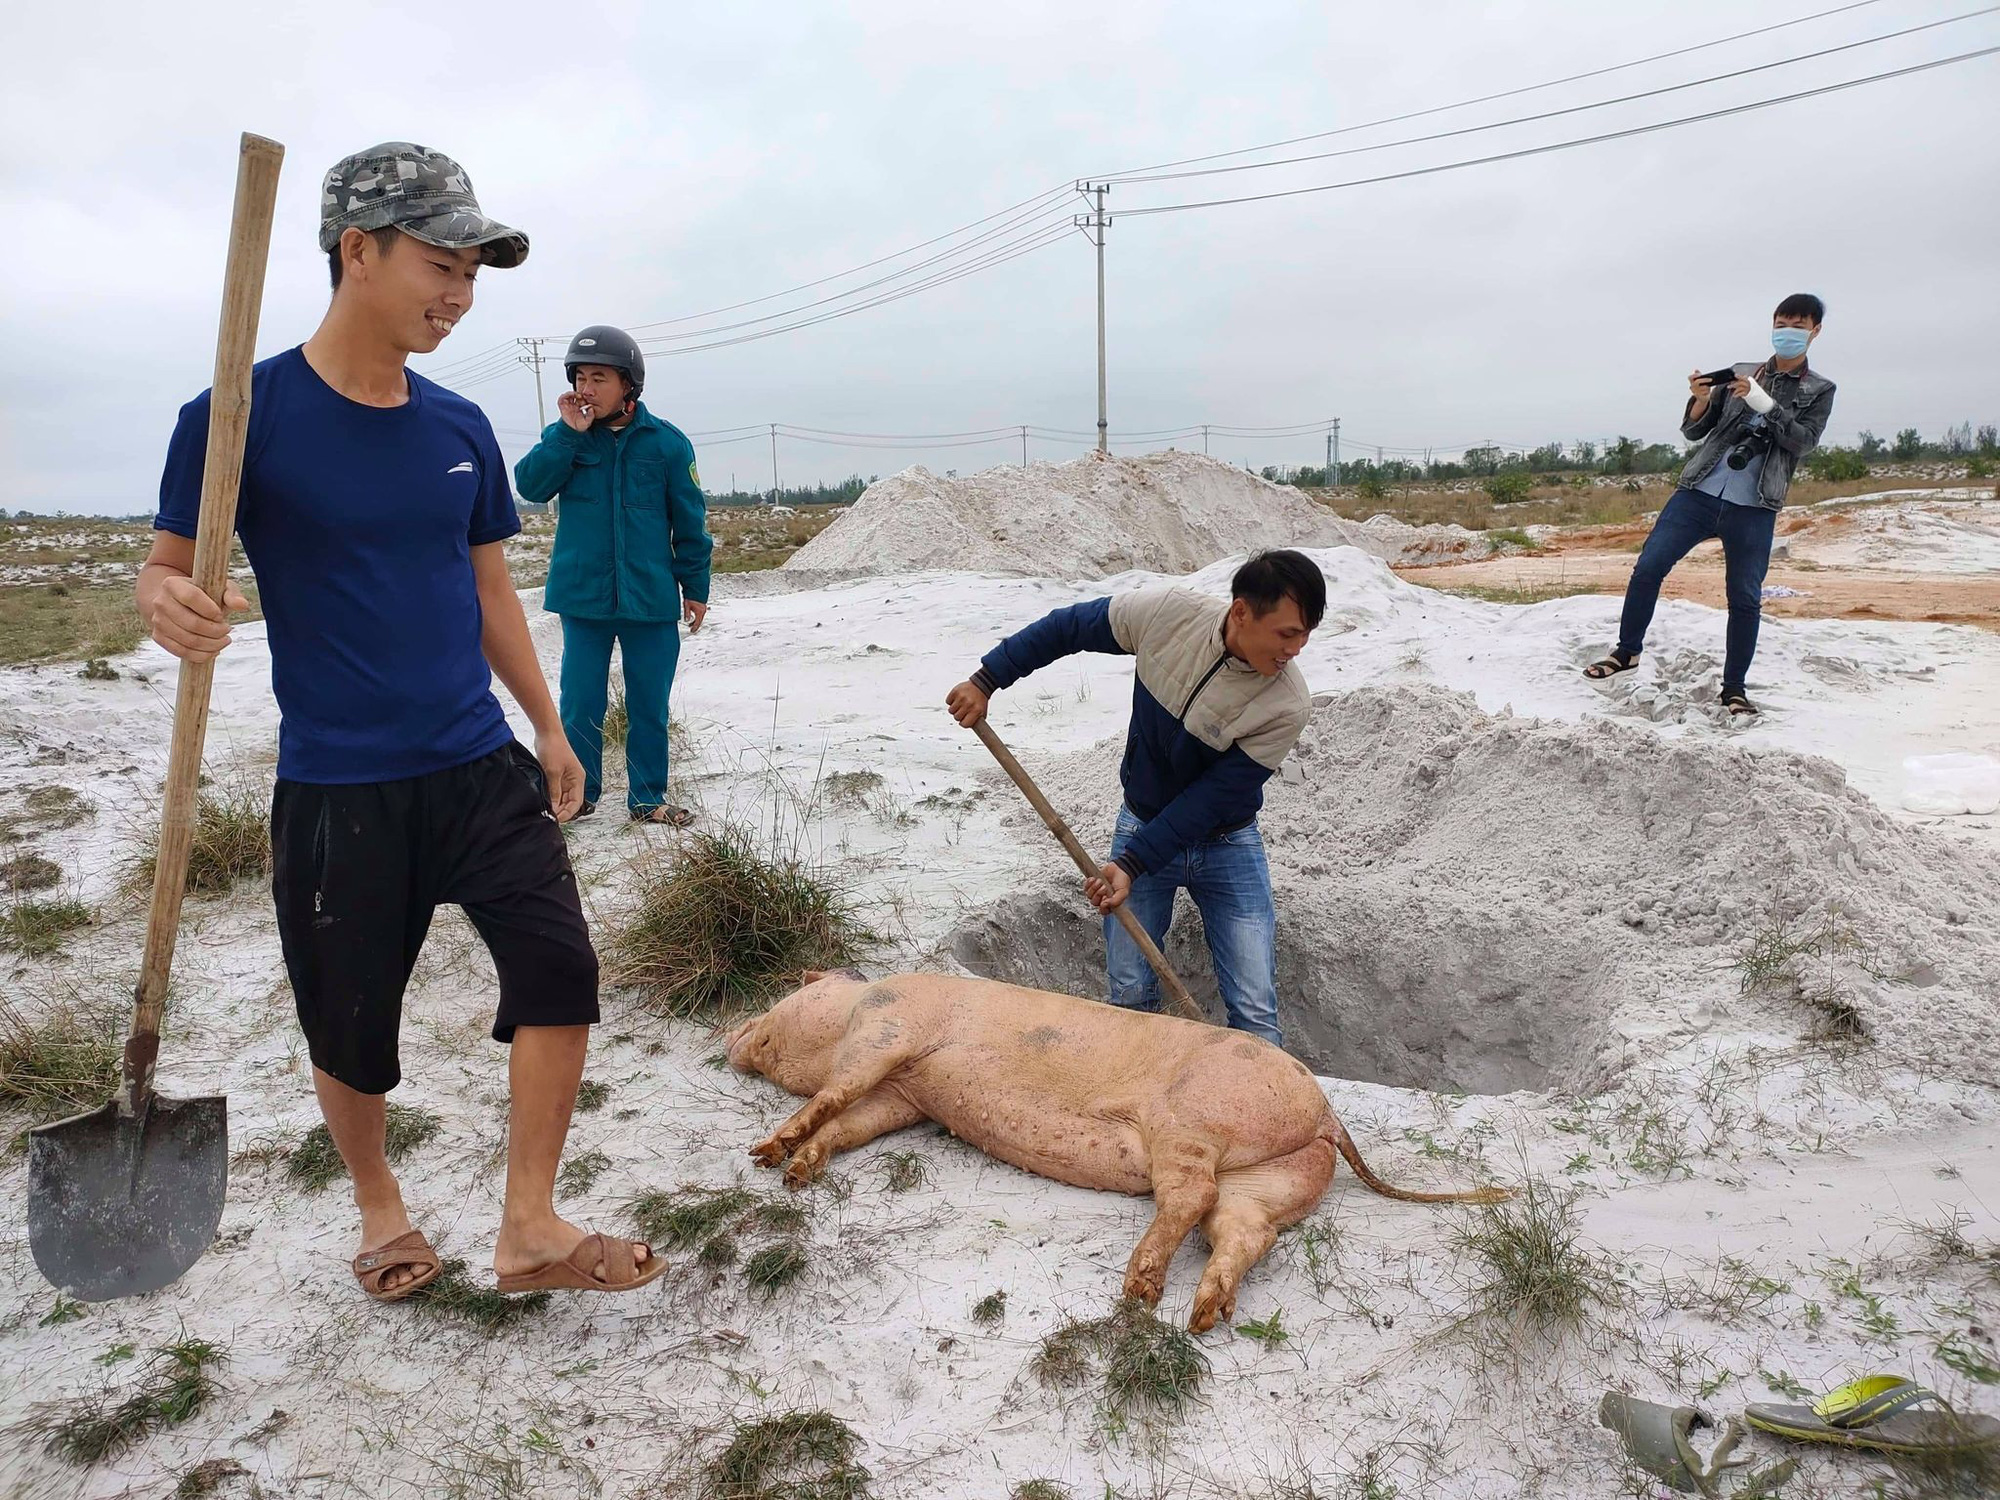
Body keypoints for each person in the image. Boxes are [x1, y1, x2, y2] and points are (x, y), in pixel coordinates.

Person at [137, 143, 664, 1302]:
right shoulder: (238, 417)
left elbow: (488, 595)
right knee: (351, 1023)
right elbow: (167, 569)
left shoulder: (460, 427)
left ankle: (529, 1225)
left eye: (474, 271)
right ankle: (381, 1207)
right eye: (441, 263)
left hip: (477, 765)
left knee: (558, 967)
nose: (461, 293)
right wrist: (165, 601)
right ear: (357, 251)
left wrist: (550, 725)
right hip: (338, 782)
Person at [945, 550, 1323, 1047]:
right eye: (1287, 633)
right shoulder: (1167, 615)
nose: (1296, 649)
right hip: (1142, 825)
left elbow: (1211, 799)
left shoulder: (1287, 704)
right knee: (1129, 999)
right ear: (1241, 613)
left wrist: (1132, 862)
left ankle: (1263, 1116)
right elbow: (1069, 627)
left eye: (1306, 634)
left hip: (1228, 844)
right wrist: (987, 679)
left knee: (1254, 1014)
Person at [1584, 293, 1837, 716]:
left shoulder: (1819, 390)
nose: (1786, 332)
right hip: (1699, 490)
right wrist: (1700, 398)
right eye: (1780, 323)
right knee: (1648, 568)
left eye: (1797, 326)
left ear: (1815, 331)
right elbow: (1695, 430)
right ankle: (1627, 652)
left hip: (1754, 505)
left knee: (1744, 597)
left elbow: (1803, 442)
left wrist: (1764, 404)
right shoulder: (1740, 372)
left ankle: (1734, 688)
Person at [514, 326, 713, 825]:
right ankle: (580, 796)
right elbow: (531, 485)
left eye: (598, 378)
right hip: (584, 598)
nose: (586, 388)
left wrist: (696, 588)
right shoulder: (565, 439)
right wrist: (566, 434)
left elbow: (690, 522)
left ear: (628, 383)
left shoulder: (667, 444)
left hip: (650, 598)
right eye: (580, 376)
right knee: (580, 703)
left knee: (649, 704)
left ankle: (647, 799)